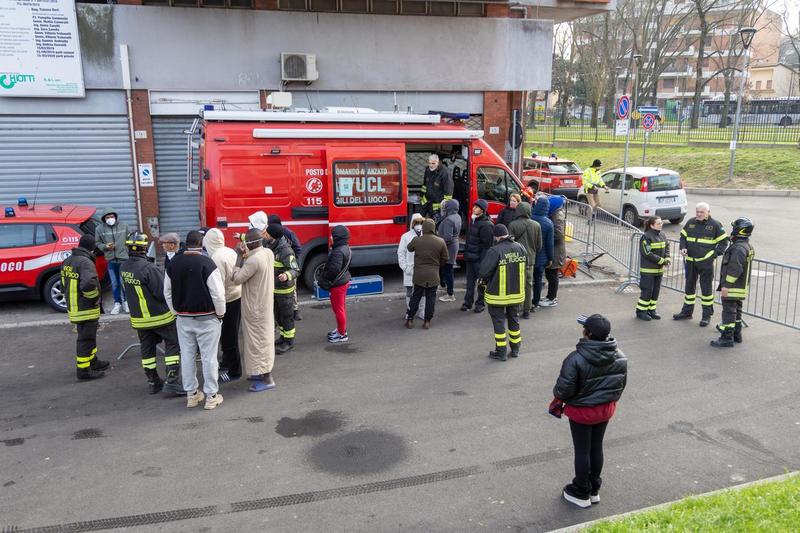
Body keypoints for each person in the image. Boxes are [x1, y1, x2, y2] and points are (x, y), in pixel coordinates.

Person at [551, 314, 627, 508]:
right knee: (596, 447)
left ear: (587, 333)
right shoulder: (620, 355)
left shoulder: (575, 358)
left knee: (582, 450)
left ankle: (580, 491)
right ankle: (594, 489)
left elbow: (563, 390)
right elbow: (620, 385)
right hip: (605, 409)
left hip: (581, 412)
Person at [164, 230, 226, 410]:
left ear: (186, 243)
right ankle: (211, 396)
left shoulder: (174, 263)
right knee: (209, 357)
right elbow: (218, 294)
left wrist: (175, 311)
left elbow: (167, 292)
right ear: (202, 244)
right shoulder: (207, 263)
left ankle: (192, 395)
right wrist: (220, 314)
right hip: (207, 318)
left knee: (188, 355)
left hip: (183, 318)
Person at [120, 232, 183, 395]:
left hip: (140, 320)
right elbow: (161, 293)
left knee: (147, 350)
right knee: (173, 344)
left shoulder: (124, 267)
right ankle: (172, 382)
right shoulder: (148, 268)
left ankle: (153, 382)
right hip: (159, 317)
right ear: (144, 248)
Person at [231, 228, 276, 391]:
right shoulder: (267, 253)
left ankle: (267, 378)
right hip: (264, 305)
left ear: (248, 244)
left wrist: (238, 256)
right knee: (262, 339)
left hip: (255, 307)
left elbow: (236, 279)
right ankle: (260, 371)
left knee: (258, 342)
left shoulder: (253, 261)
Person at [61, 234, 110, 380]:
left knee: (88, 336)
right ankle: (83, 371)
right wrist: (94, 299)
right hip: (85, 308)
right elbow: (89, 284)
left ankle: (92, 361)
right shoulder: (85, 262)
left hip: (74, 306)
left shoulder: (67, 260)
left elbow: (64, 284)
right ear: (92, 247)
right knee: (85, 339)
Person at [673, 202, 728, 327]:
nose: (699, 214)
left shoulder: (715, 225)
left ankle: (706, 316)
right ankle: (687, 312)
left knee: (706, 290)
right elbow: (683, 236)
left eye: (702, 212)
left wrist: (712, 255)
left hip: (706, 264)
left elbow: (724, 243)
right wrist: (683, 247)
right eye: (697, 211)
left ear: (708, 212)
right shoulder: (691, 222)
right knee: (689, 288)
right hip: (691, 262)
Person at [479, 224, 527, 361]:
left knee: (499, 322)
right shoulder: (520, 247)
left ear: (497, 236)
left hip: (497, 295)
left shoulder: (495, 251)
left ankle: (501, 352)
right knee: (514, 320)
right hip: (517, 293)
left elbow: (483, 271)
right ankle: (516, 349)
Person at [203, 228, 243, 382]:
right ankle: (226, 363)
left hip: (227, 300)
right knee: (229, 335)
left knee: (228, 338)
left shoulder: (215, 258)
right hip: (237, 295)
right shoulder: (230, 251)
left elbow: (217, 286)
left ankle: (234, 371)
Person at [711, 217, 755, 348]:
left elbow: (735, 269)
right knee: (737, 311)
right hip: (740, 287)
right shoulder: (746, 245)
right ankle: (736, 335)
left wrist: (726, 286)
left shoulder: (738, 248)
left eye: (734, 227)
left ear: (739, 229)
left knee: (729, 313)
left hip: (732, 287)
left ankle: (726, 338)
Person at [405, 218, 449, 329]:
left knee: (415, 297)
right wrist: (437, 265)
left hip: (419, 275)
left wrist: (418, 237)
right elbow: (445, 258)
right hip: (433, 274)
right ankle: (427, 321)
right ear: (434, 228)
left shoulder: (417, 240)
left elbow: (409, 248)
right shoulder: (440, 241)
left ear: (423, 228)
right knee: (431, 298)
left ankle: (410, 319)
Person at [264, 224, 300, 354]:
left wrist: (287, 275)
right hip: (274, 289)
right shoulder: (269, 245)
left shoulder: (286, 251)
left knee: (287, 316)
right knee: (278, 316)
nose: (264, 235)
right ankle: (283, 337)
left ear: (272, 236)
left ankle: (289, 342)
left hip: (285, 291)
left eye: (266, 233)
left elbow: (295, 269)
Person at [507, 199, 542, 319]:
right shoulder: (536, 225)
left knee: (515, 285)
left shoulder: (512, 225)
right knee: (528, 284)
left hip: (516, 259)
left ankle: (515, 309)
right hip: (530, 260)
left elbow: (509, 244)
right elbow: (539, 245)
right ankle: (526, 310)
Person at [461, 199, 494, 314]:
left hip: (479, 260)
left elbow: (487, 246)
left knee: (481, 284)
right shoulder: (473, 220)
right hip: (470, 258)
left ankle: (480, 304)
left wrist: (484, 262)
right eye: (474, 206)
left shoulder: (486, 224)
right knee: (470, 283)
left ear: (482, 210)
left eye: (476, 207)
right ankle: (467, 302)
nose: (473, 208)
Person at [268, 214, 303, 322]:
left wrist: (290, 259)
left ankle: (295, 311)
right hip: (282, 268)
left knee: (292, 291)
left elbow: (298, 248)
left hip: (289, 266)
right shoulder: (272, 237)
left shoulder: (288, 233)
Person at [95, 208, 129, 315]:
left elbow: (130, 239)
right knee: (115, 283)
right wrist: (105, 246)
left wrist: (127, 250)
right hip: (111, 260)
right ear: (104, 219)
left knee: (124, 282)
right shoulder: (100, 229)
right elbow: (97, 242)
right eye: (107, 217)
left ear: (115, 216)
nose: (110, 218)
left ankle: (127, 302)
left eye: (112, 216)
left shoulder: (124, 226)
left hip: (124, 259)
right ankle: (117, 303)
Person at [636, 217, 670, 321]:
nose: (661, 225)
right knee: (647, 292)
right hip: (648, 271)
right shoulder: (646, 237)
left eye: (661, 223)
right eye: (658, 223)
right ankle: (641, 312)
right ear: (651, 225)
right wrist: (662, 261)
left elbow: (667, 247)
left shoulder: (662, 235)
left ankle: (652, 310)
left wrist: (667, 258)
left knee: (655, 292)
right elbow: (647, 253)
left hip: (658, 271)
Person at [322, 225, 352, 343]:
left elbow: (334, 269)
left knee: (338, 309)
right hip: (343, 281)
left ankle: (342, 334)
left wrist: (325, 277)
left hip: (338, 285)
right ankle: (341, 329)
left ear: (337, 237)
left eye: (332, 235)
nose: (330, 237)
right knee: (341, 308)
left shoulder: (338, 251)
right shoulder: (345, 248)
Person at [398, 213, 426, 320]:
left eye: (421, 223)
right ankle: (409, 311)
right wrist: (405, 267)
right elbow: (401, 253)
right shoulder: (405, 236)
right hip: (410, 269)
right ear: (412, 224)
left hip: (422, 269)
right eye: (417, 223)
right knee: (410, 292)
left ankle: (421, 311)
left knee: (423, 291)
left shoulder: (426, 235)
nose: (419, 225)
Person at [541, 195, 567, 307]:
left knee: (552, 275)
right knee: (550, 273)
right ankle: (550, 296)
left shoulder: (557, 216)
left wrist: (547, 239)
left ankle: (552, 298)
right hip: (554, 250)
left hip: (556, 251)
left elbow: (558, 235)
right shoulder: (554, 214)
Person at [531, 196, 554, 309]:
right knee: (538, 280)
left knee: (525, 280)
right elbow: (550, 244)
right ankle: (535, 302)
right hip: (541, 258)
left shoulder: (529, 218)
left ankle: (522, 303)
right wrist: (550, 258)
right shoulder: (548, 223)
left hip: (528, 255)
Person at [437, 199, 462, 302]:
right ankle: (443, 285)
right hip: (454, 246)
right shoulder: (457, 216)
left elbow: (447, 238)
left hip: (448, 248)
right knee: (445, 268)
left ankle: (450, 294)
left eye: (445, 206)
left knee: (448, 270)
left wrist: (438, 243)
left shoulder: (449, 220)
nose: (443, 208)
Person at [420, 154, 454, 220]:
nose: (431, 165)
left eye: (433, 163)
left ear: (438, 163)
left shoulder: (445, 173)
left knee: (434, 223)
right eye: (429, 163)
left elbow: (448, 191)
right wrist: (421, 196)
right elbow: (424, 185)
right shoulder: (428, 170)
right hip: (426, 200)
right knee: (419, 218)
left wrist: (444, 204)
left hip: (437, 204)